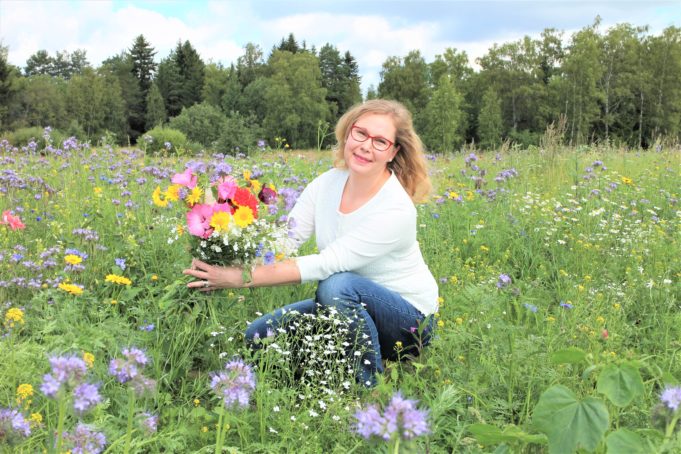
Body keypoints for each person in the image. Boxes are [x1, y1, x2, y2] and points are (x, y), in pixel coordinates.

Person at [183, 99, 439, 387]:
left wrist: (240, 278)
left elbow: (326, 264)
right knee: (256, 337)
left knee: (335, 285)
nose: (366, 145)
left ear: (393, 152)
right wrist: (229, 249)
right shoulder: (328, 183)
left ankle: (367, 389)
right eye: (361, 133)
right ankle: (327, 367)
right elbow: (286, 239)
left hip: (409, 321)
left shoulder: (396, 210)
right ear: (347, 133)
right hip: (350, 307)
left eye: (380, 141)